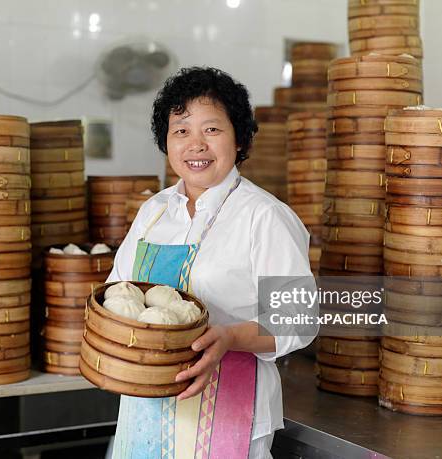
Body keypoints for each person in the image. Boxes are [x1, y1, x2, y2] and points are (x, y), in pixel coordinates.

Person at [106, 66, 317, 459]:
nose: (195, 144)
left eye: (212, 130)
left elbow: (299, 320)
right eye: (181, 131)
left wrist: (230, 337)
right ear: (166, 142)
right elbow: (117, 293)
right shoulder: (154, 212)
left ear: (238, 138)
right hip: (144, 411)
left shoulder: (262, 215)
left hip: (228, 412)